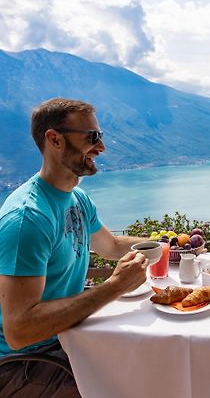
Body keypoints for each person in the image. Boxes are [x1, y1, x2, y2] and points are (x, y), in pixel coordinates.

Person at [0, 98, 152, 397]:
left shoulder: (77, 199)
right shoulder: (28, 220)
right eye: (91, 138)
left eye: (100, 136)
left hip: (66, 339)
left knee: (151, 364)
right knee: (132, 386)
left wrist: (168, 246)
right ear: (54, 139)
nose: (101, 147)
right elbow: (20, 331)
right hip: (25, 364)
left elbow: (111, 245)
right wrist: (114, 287)